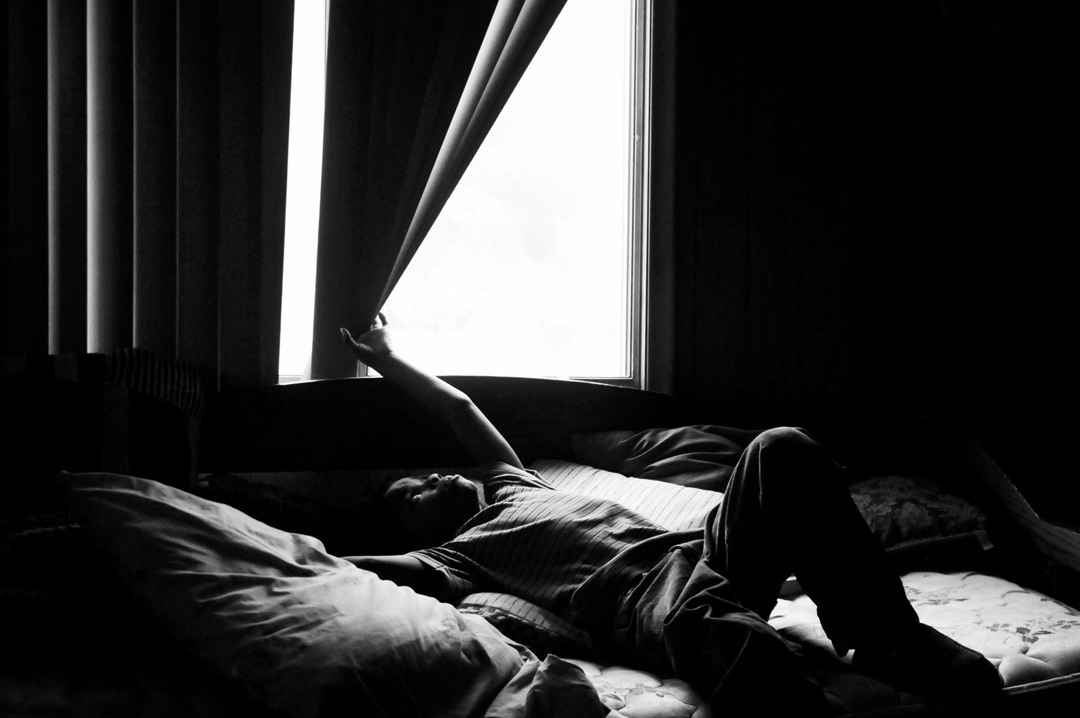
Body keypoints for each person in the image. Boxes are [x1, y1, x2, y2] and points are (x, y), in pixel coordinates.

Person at [339, 318, 1002, 716]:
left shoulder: (511, 485)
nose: (436, 476)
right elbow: (341, 570)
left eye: (426, 473)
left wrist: (389, 359)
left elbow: (459, 411)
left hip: (701, 552)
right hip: (646, 599)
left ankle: (881, 633)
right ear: (415, 533)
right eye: (416, 493)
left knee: (781, 447)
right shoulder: (454, 557)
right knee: (738, 647)